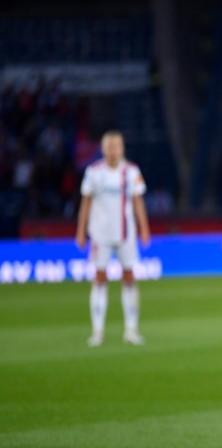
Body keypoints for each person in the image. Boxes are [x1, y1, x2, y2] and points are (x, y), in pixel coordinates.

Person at [75, 130, 150, 346]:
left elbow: (138, 201)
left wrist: (144, 228)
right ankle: (97, 331)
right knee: (99, 278)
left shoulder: (131, 171)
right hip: (100, 234)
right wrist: (81, 231)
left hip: (126, 233)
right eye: (109, 147)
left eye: (116, 146)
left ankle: (131, 330)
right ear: (103, 149)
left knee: (129, 277)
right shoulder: (93, 172)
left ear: (122, 149)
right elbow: (86, 202)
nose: (113, 151)